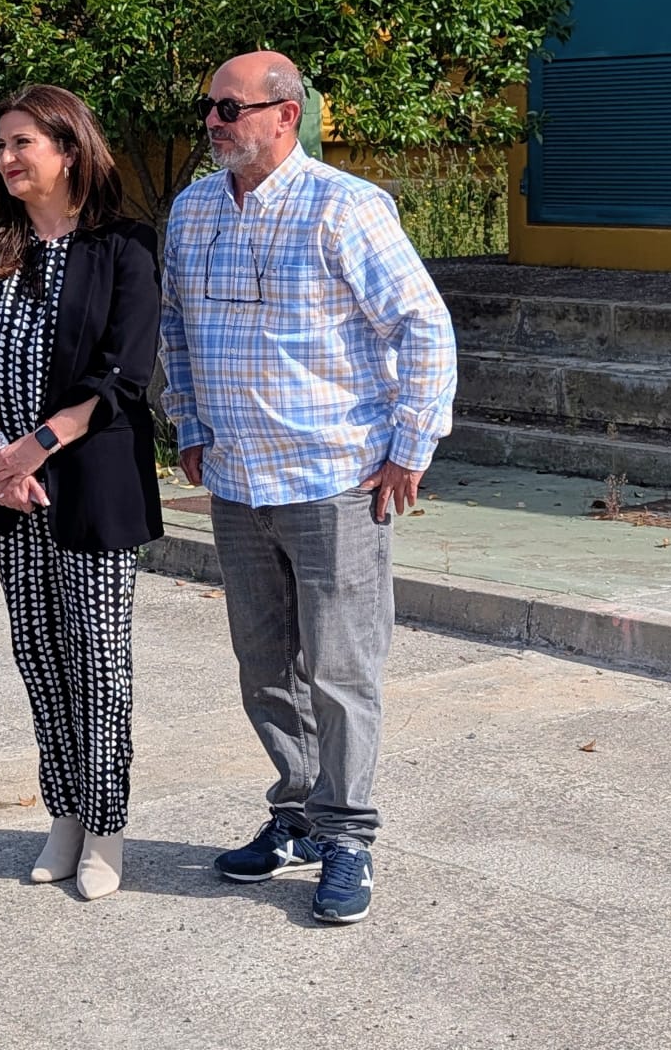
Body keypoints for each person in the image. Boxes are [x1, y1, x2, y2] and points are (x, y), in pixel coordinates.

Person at [159, 49, 456, 925]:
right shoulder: (191, 210)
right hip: (238, 484)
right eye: (208, 109)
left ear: (284, 114)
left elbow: (422, 325)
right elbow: (174, 327)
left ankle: (348, 836)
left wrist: (411, 445)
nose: (213, 123)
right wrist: (189, 424)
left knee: (340, 668)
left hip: (334, 481)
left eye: (229, 108)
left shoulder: (344, 207)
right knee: (263, 667)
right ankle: (293, 813)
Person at [0, 84, 162, 900]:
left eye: (21, 143)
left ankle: (106, 829)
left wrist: (34, 449)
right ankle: (63, 812)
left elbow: (123, 377)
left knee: (98, 661)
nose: (5, 159)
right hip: (11, 494)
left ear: (68, 150)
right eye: (0, 146)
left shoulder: (124, 247)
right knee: (39, 658)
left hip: (91, 488)